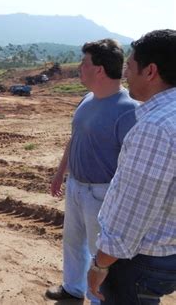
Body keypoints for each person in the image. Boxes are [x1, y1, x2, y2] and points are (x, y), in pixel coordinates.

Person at [45, 39, 139, 304]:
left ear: (99, 69)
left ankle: (100, 298)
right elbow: (74, 138)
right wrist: (60, 172)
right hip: (76, 186)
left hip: (102, 193)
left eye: (84, 62)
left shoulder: (128, 109)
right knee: (72, 242)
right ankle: (72, 289)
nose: (79, 67)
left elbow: (130, 162)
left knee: (100, 253)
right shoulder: (87, 99)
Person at [88, 29, 176, 304]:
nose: (126, 75)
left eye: (130, 67)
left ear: (150, 71)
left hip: (140, 262)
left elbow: (132, 218)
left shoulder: (154, 129)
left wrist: (100, 264)